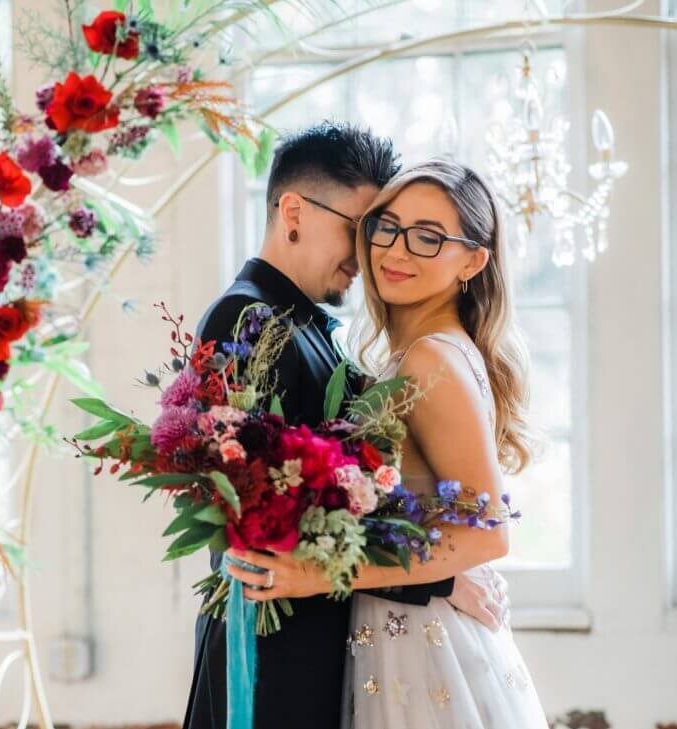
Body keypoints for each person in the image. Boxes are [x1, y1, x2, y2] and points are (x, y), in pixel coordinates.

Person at [183, 123, 510, 729]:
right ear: (294, 212)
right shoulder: (247, 316)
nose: (373, 253)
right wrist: (431, 583)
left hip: (325, 638)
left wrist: (440, 569)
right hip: (270, 654)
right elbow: (255, 520)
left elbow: (350, 501)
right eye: (364, 229)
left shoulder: (313, 324)